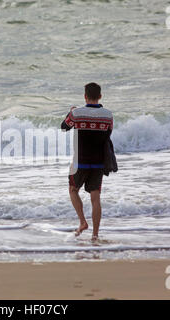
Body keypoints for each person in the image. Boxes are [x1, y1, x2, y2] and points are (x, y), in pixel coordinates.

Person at [61, 83, 113, 241]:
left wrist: (70, 112)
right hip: (99, 161)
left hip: (80, 161)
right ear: (100, 96)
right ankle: (95, 235)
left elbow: (64, 127)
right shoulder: (108, 115)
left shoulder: (77, 113)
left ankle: (83, 222)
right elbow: (108, 133)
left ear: (85, 96)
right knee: (95, 197)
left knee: (73, 189)